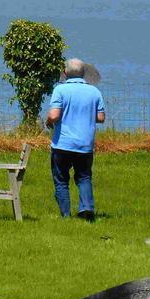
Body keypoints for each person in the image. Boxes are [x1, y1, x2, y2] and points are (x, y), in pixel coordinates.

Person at [45, 58, 105, 221]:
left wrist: (48, 122)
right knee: (84, 177)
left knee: (61, 179)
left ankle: (65, 215)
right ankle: (86, 208)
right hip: (85, 145)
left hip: (62, 144)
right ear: (84, 73)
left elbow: (54, 115)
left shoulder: (60, 90)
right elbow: (100, 117)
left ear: (65, 73)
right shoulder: (94, 92)